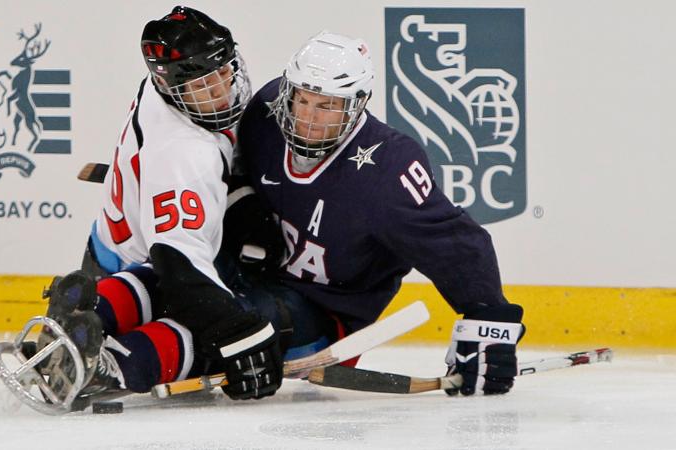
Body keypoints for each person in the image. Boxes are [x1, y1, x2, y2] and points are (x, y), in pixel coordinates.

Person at [234, 31, 525, 396]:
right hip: (253, 279)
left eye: (325, 106)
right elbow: (230, 172)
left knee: (242, 320)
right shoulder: (267, 111)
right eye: (302, 100)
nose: (307, 117)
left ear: (356, 104)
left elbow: (457, 244)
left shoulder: (387, 167)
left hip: (325, 312)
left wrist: (489, 324)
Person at [30, 6, 283, 408]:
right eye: (204, 85)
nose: (221, 90)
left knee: (198, 298)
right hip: (141, 265)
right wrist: (241, 334)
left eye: (224, 72)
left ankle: (92, 306)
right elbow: (179, 269)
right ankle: (111, 364)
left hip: (110, 248)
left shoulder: (163, 88)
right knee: (210, 333)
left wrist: (238, 199)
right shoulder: (185, 155)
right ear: (176, 87)